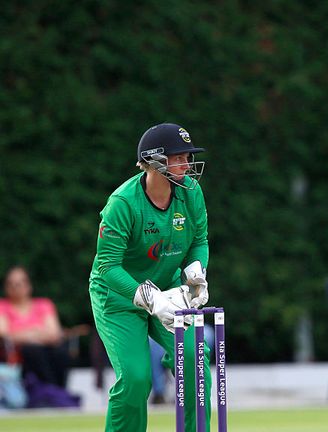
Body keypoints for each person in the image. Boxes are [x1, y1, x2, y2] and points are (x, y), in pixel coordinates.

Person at [89, 123, 212, 432]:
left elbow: (199, 240)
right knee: (135, 378)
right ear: (155, 162)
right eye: (178, 157)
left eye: (187, 156)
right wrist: (148, 297)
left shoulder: (190, 193)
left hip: (168, 289)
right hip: (117, 297)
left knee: (196, 362)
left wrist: (196, 271)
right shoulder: (123, 204)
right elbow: (107, 267)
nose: (186, 164)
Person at [0, 266, 71, 389]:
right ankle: (52, 390)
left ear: (28, 285)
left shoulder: (44, 304)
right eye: (11, 284)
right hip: (19, 355)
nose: (16, 287)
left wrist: (24, 335)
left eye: (19, 283)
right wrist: (35, 332)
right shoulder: (3, 306)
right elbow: (5, 334)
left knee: (61, 352)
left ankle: (59, 391)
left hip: (46, 349)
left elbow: (54, 334)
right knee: (32, 351)